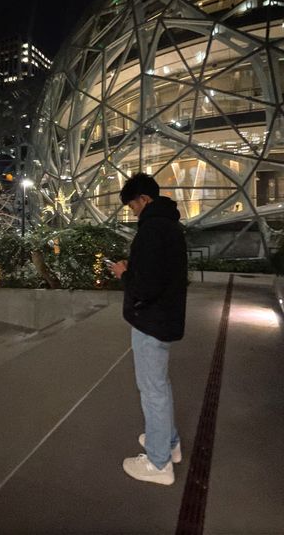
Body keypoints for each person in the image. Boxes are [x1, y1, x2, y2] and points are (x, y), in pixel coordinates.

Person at [110, 173, 187, 486]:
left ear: (143, 199)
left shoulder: (152, 230)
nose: (131, 211)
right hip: (165, 318)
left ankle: (158, 464)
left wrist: (124, 274)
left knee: (152, 391)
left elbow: (147, 285)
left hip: (151, 321)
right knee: (160, 385)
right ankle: (169, 443)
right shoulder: (170, 225)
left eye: (131, 205)